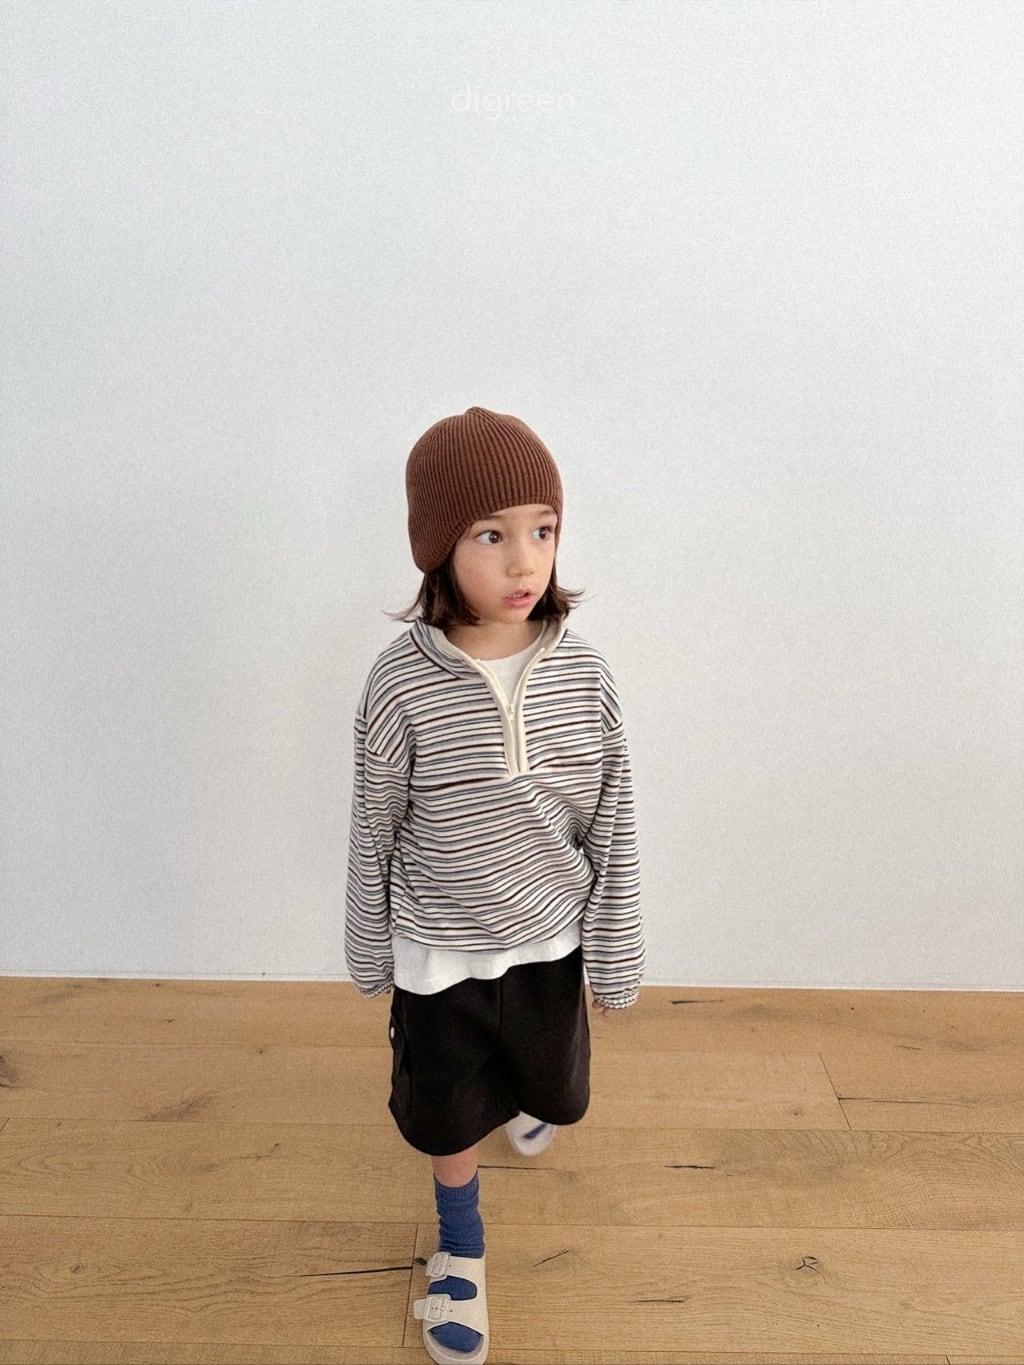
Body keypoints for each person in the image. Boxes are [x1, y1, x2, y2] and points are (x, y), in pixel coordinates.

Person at [344, 405, 644, 1364]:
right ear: (439, 547)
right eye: (491, 535)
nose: (526, 561)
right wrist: (367, 944)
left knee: (554, 1090)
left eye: (543, 530)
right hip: (439, 952)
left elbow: (612, 822)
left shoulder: (585, 674)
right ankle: (461, 1248)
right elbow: (374, 823)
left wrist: (617, 949)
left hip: (551, 942)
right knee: (446, 1110)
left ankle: (523, 1091)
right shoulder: (399, 683)